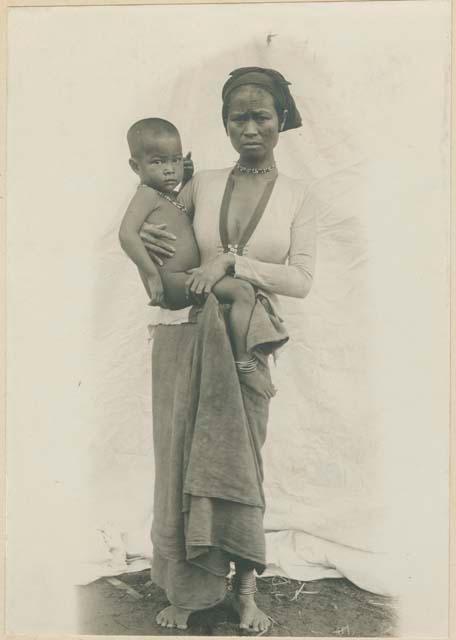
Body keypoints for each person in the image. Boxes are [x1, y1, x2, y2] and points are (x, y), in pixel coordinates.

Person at [138, 67, 318, 632]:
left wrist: (236, 262)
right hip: (185, 337)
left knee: (243, 467)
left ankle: (243, 592)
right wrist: (149, 238)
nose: (249, 128)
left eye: (260, 116)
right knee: (178, 460)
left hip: (247, 348)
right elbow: (168, 237)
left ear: (282, 120)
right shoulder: (202, 182)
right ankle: (187, 591)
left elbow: (302, 280)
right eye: (237, 117)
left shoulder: (297, 197)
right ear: (224, 122)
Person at [119, 117, 285, 395]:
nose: (168, 169)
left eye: (174, 160)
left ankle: (242, 358)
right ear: (135, 166)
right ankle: (244, 365)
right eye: (157, 163)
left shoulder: (166, 195)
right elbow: (126, 235)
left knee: (242, 291)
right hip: (171, 281)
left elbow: (179, 210)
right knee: (243, 291)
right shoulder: (146, 194)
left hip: (185, 277)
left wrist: (184, 178)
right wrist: (151, 275)